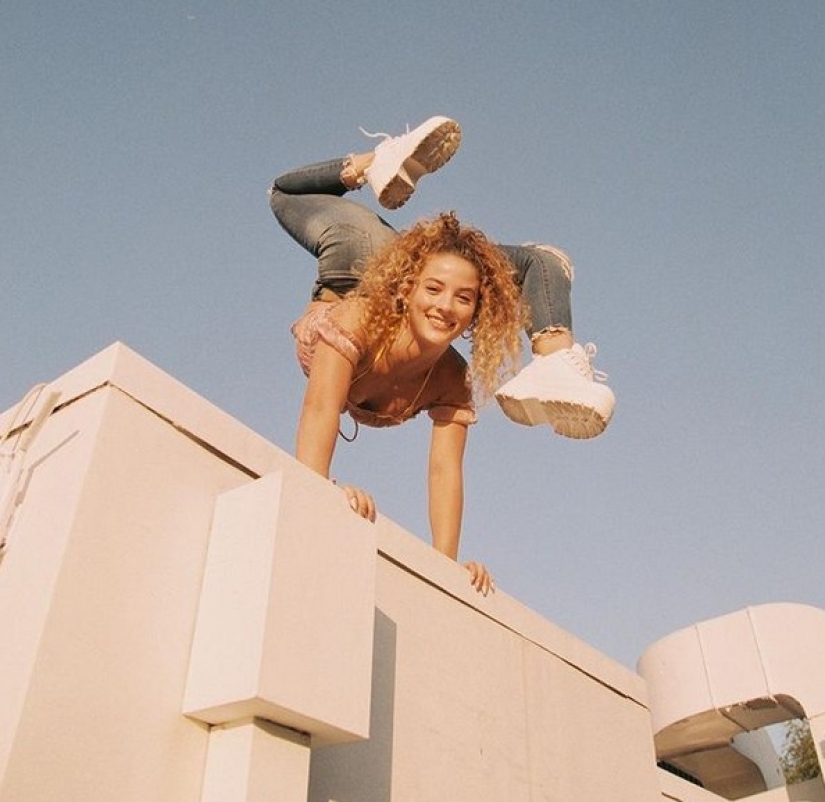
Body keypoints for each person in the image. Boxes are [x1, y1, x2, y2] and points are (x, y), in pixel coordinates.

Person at [268, 115, 615, 594]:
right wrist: (318, 490)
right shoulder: (355, 325)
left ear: (476, 312)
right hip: (358, 266)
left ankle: (554, 356)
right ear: (409, 289)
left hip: (403, 265)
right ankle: (376, 161)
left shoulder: (452, 377)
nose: (446, 307)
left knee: (541, 262)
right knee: (282, 193)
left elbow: (444, 470)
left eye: (464, 299)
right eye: (432, 291)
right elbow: (320, 407)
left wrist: (445, 568)